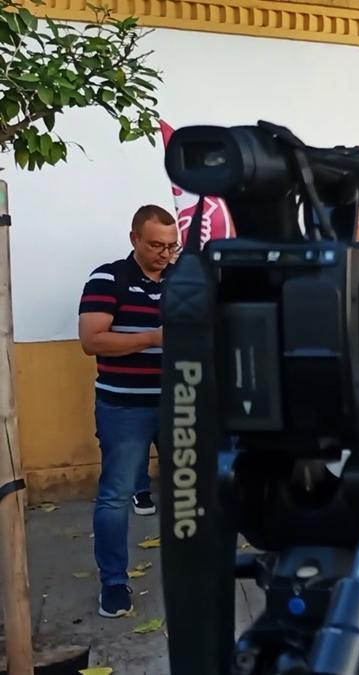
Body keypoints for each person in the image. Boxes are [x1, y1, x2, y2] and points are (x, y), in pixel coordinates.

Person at [78, 205, 178, 617]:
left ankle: (194, 577)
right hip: (124, 406)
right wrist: (154, 337)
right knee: (116, 497)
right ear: (134, 238)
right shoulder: (108, 278)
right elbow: (92, 340)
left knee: (194, 495)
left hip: (183, 404)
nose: (164, 254)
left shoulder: (186, 277)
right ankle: (114, 584)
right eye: (156, 245)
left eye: (172, 246)